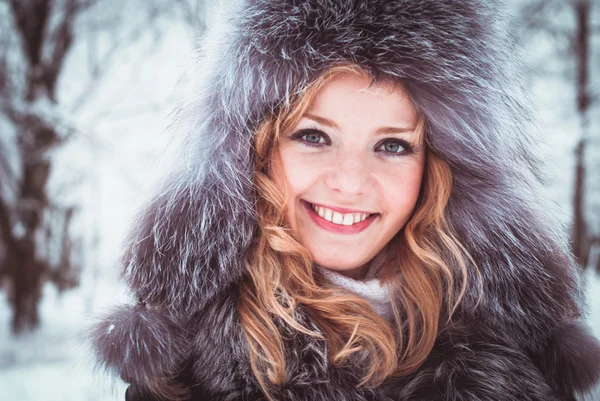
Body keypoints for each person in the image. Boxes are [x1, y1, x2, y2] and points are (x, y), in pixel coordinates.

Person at [90, 0, 600, 400]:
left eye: (393, 145)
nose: (351, 182)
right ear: (256, 150)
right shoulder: (186, 366)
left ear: (440, 168)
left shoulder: (521, 357)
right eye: (313, 136)